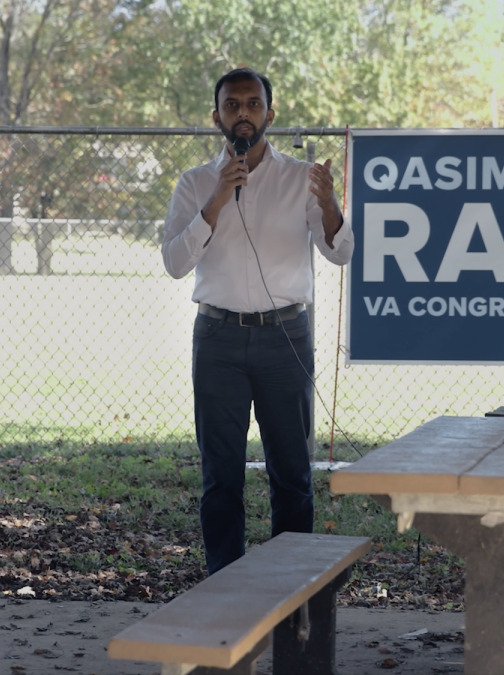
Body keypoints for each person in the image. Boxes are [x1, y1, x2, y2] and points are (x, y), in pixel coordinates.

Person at [161, 67, 354, 575]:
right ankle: (224, 582)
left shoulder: (301, 177)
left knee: (291, 471)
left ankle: (291, 589)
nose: (241, 113)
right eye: (231, 105)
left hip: (284, 338)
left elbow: (340, 252)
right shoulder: (196, 183)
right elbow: (175, 263)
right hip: (218, 339)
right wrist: (217, 201)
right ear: (217, 117)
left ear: (270, 113)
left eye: (251, 104)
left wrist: (330, 202)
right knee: (220, 472)